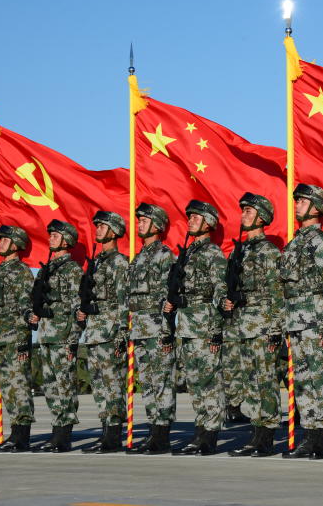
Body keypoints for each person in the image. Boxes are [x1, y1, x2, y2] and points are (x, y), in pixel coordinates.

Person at [279, 184, 323, 459]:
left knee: (319, 380)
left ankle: (321, 439)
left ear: (316, 208)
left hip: (316, 319)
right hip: (294, 321)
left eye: (303, 201)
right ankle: (308, 434)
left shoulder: (322, 242)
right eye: (297, 201)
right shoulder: (293, 244)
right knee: (302, 381)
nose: (297, 205)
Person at [166, 200, 227, 455]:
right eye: (189, 217)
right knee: (194, 383)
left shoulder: (212, 254)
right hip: (187, 325)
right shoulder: (187, 253)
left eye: (195, 217)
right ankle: (200, 428)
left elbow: (220, 291)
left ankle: (209, 435)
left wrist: (215, 329)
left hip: (204, 325)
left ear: (208, 223)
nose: (189, 220)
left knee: (209, 381)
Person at [226, 193, 284, 458]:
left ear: (261, 218)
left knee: (265, 381)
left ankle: (266, 437)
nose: (244, 215)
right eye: (243, 211)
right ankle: (255, 432)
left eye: (249, 211)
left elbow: (276, 293)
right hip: (242, 325)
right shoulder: (239, 252)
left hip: (262, 325)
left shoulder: (268, 251)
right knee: (250, 383)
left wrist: (275, 328)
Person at [125, 203, 176, 455]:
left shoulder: (164, 255)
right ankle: (152, 429)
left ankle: (162, 434)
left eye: (145, 221)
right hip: (139, 330)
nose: (140, 224)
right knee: (145, 382)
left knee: (162, 381)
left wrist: (167, 330)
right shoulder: (137, 258)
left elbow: (169, 296)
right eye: (139, 220)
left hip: (157, 329)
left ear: (157, 226)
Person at [28, 219, 83, 453]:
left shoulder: (73, 270)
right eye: (50, 235)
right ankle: (56, 428)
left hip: (63, 336)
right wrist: (34, 314)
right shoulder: (45, 269)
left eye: (55, 235)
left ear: (66, 240)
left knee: (64, 386)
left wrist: (73, 339)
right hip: (46, 336)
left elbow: (78, 308)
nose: (50, 238)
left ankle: (64, 434)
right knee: (50, 387)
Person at [78, 211, 129, 454]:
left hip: (110, 332)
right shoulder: (96, 262)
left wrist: (121, 333)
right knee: (99, 386)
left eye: (102, 226)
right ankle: (105, 428)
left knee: (113, 384)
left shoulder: (119, 263)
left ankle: (114, 434)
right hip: (94, 331)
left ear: (114, 231)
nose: (97, 229)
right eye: (96, 226)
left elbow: (123, 300)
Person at [0, 225, 36, 452]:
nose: (1, 243)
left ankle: (21, 436)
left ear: (16, 245)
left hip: (15, 339)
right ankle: (14, 433)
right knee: (7, 389)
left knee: (19, 387)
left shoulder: (21, 272)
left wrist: (23, 339)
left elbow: (26, 306)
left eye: (5, 240)